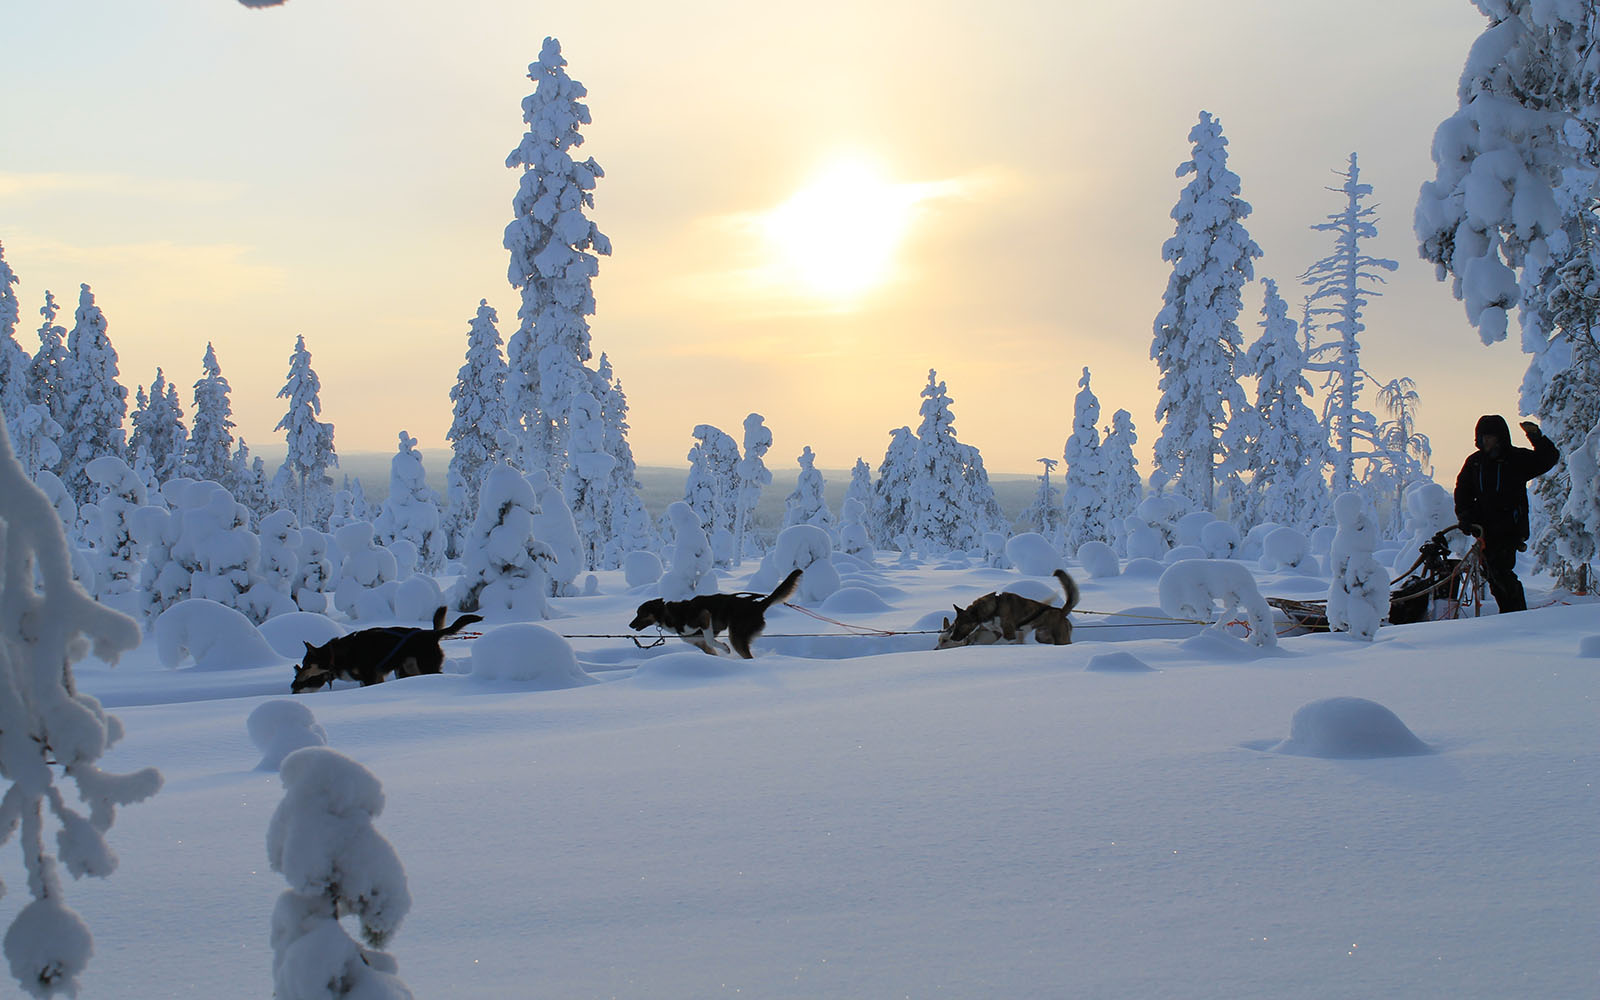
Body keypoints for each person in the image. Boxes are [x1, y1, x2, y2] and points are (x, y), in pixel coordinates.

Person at [1454, 415, 1560, 613]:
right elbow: (1463, 491)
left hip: (1509, 528)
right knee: (1493, 575)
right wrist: (1465, 516)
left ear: (1500, 437)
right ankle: (1509, 614)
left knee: (1501, 572)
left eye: (1490, 437)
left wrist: (1536, 437)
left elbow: (1548, 458)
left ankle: (1516, 614)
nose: (1486, 441)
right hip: (1484, 529)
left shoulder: (1516, 459)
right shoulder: (1475, 463)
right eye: (1483, 437)